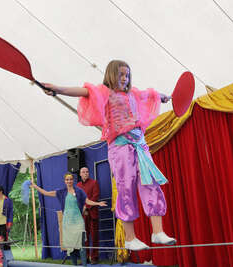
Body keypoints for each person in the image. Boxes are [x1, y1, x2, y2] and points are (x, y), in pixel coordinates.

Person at [41, 60, 176, 250]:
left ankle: (158, 232)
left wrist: (164, 97)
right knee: (126, 188)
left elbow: (150, 95)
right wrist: (58, 89)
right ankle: (130, 238)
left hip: (140, 145)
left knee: (150, 183)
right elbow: (83, 91)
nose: (125, 78)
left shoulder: (133, 93)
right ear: (112, 74)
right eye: (121, 74)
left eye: (127, 75)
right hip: (121, 147)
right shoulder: (105, 92)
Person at [31, 173, 107, 266]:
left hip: (78, 221)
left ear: (73, 180)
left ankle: (84, 265)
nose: (69, 181)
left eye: (70, 179)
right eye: (67, 179)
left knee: (81, 245)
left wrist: (98, 204)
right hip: (67, 222)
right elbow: (46, 193)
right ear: (64, 181)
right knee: (71, 246)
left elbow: (87, 201)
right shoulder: (61, 192)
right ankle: (74, 265)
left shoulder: (79, 191)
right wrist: (35, 186)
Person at [76, 167, 100, 264]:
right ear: (80, 174)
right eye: (83, 172)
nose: (86, 173)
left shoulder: (94, 183)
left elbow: (95, 196)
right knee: (84, 237)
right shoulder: (77, 185)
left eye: (87, 172)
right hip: (82, 215)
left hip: (92, 213)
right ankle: (85, 258)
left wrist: (86, 206)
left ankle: (94, 257)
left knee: (94, 236)